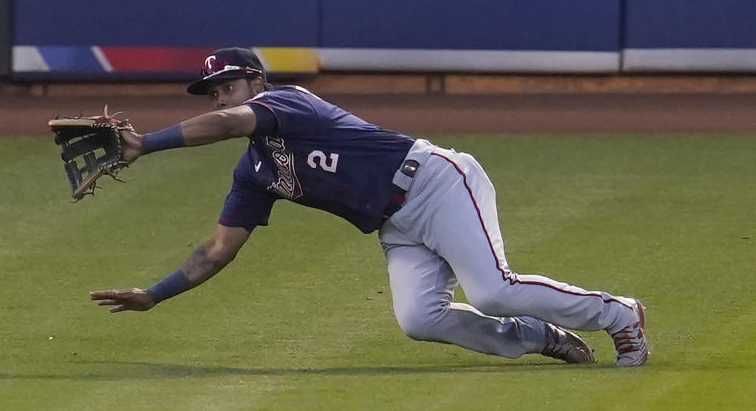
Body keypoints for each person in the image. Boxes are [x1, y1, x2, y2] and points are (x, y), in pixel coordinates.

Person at [90, 47, 649, 367]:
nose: (220, 96)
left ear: (255, 80)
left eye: (228, 84)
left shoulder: (285, 102)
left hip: (436, 183)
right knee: (419, 319)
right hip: (396, 223)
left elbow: (232, 122)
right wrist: (153, 295)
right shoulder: (255, 171)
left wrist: (146, 145)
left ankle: (619, 315)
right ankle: (539, 336)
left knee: (491, 289)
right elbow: (217, 250)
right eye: (212, 91)